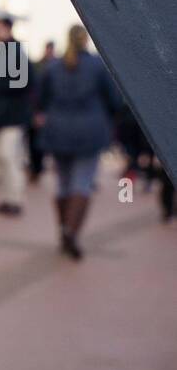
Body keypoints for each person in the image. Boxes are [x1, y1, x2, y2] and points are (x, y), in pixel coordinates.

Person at [34, 24, 121, 260]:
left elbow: (40, 99)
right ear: (86, 40)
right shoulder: (98, 66)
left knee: (62, 184)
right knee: (82, 183)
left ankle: (64, 230)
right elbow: (114, 100)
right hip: (89, 131)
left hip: (58, 129)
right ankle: (71, 231)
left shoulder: (53, 67)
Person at [0, 13, 33, 215]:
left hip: (12, 116)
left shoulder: (14, 50)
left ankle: (14, 200)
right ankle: (9, 199)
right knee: (3, 157)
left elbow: (24, 81)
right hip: (5, 116)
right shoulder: (4, 50)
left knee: (8, 157)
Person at [28, 40, 56, 184]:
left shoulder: (58, 66)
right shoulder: (38, 65)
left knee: (44, 142)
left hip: (51, 111)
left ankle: (38, 168)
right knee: (34, 141)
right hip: (38, 109)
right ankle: (36, 168)